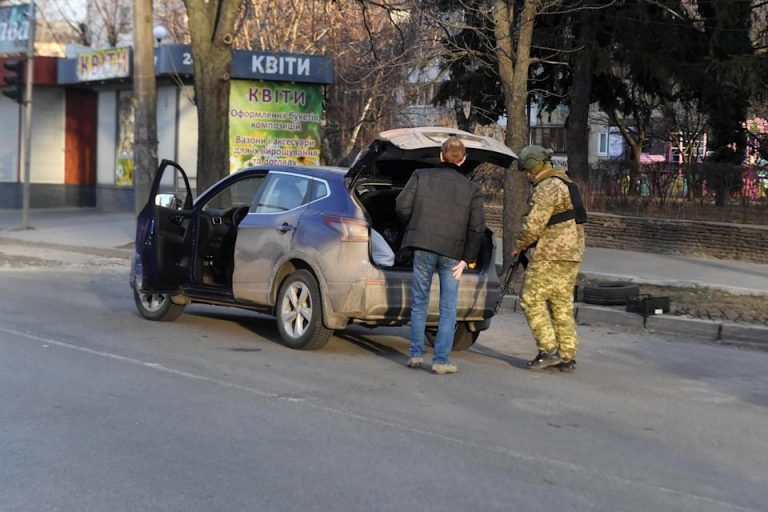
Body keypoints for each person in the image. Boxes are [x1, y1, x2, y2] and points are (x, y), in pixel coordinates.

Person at [395, 137, 485, 375]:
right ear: (463, 160)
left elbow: (401, 205)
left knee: (419, 302)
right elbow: (477, 227)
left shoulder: (420, 176)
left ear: (441, 155)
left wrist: (415, 227)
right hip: (453, 253)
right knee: (448, 307)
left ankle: (416, 355)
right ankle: (441, 361)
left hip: (423, 246)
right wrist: (467, 259)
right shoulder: (472, 189)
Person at [512, 145, 586, 372]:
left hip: (551, 253)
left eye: (527, 170)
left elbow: (534, 224)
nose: (527, 175)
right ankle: (567, 355)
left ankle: (548, 350)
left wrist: (519, 245)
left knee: (530, 298)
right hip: (571, 253)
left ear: (534, 167)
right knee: (560, 301)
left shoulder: (547, 186)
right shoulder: (566, 182)